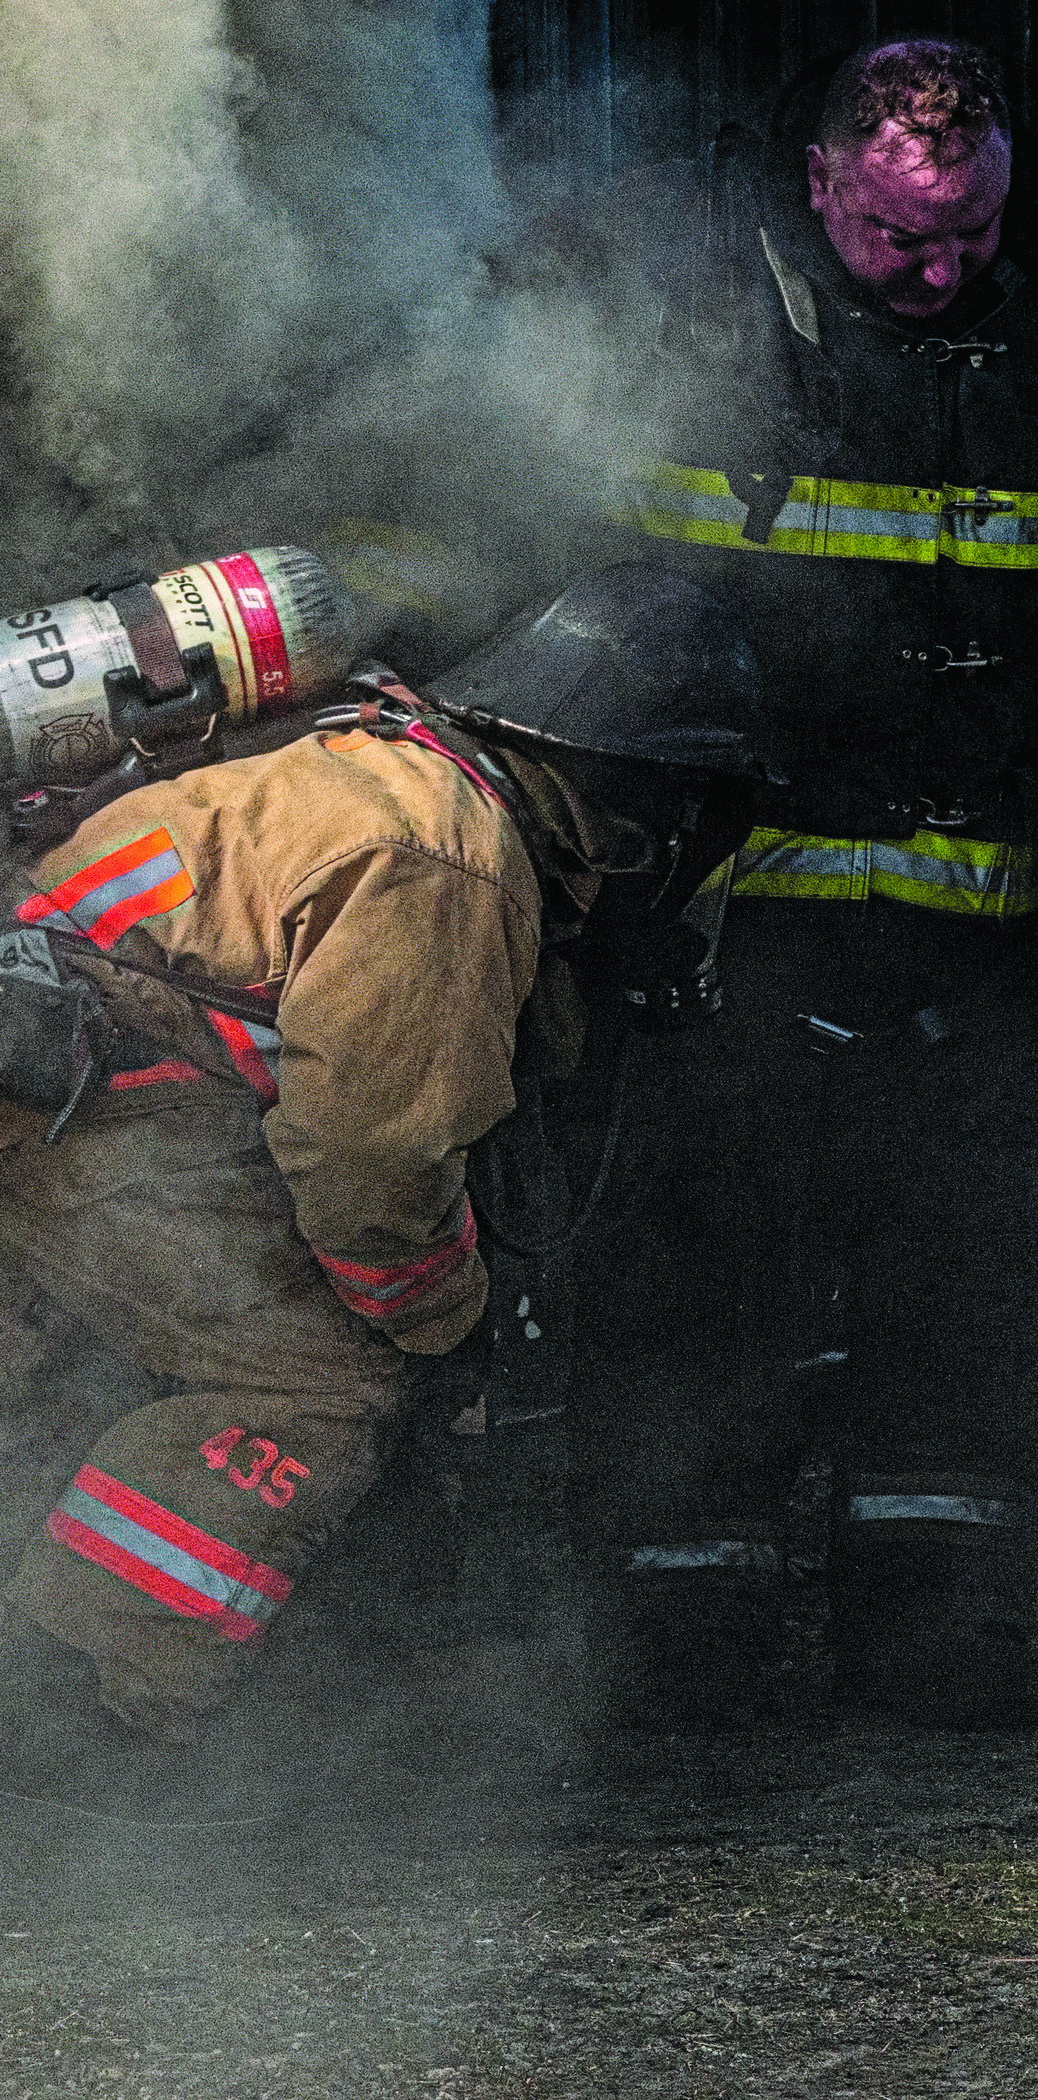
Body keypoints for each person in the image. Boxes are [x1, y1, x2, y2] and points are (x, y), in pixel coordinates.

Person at [0, 564, 772, 1818]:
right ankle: (70, 1717)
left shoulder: (362, 743)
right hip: (55, 1114)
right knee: (319, 1381)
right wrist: (447, 1325)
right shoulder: (448, 856)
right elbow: (374, 1164)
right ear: (644, 807)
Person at [558, 38, 1038, 1728]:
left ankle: (939, 1630)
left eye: (974, 234)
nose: (941, 268)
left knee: (965, 1273)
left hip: (978, 934)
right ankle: (685, 1637)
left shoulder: (1016, 340)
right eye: (906, 234)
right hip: (734, 929)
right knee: (703, 1260)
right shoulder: (700, 337)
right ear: (825, 178)